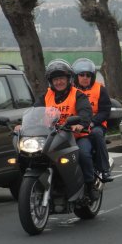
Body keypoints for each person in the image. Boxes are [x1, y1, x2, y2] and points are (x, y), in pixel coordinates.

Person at [34, 59, 99, 201]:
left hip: (76, 136)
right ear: (51, 81)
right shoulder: (46, 96)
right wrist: (22, 124)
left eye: (61, 78)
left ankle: (89, 186)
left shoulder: (78, 94)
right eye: (55, 79)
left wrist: (81, 123)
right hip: (51, 136)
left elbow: (85, 111)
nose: (59, 82)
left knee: (84, 154)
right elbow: (35, 111)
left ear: (68, 79)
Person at [72, 58, 113, 182]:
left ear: (92, 77)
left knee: (96, 133)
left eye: (88, 75)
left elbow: (105, 110)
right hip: (75, 125)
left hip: (96, 124)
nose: (85, 78)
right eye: (82, 75)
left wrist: (93, 122)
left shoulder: (100, 89)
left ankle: (104, 170)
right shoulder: (70, 90)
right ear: (75, 76)